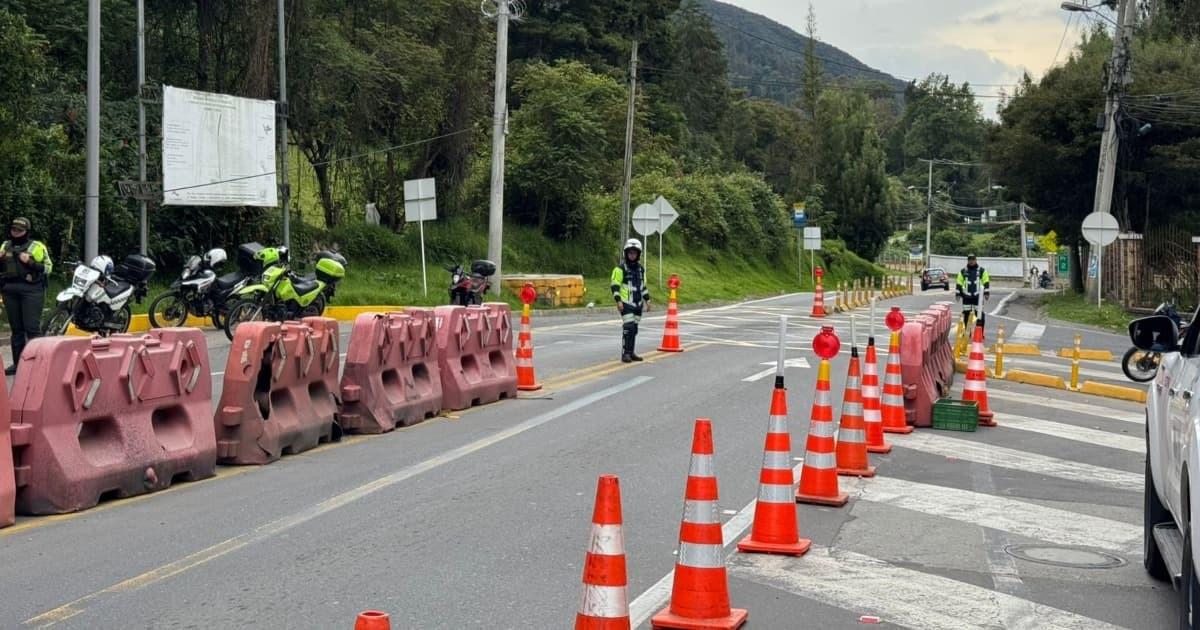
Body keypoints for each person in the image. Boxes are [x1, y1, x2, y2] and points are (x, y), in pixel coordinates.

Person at [0, 217, 51, 375]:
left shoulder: (37, 246)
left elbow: (48, 268)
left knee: (32, 328)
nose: (16, 233)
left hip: (32, 290)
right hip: (10, 289)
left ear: (26, 232)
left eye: (20, 230)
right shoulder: (4, 246)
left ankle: (40, 364)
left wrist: (30, 263)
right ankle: (18, 364)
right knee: (17, 330)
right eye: (14, 229)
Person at [611, 238, 651, 363]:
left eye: (634, 253)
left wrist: (647, 300)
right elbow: (614, 285)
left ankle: (631, 352)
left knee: (634, 329)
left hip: (638, 303)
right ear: (626, 253)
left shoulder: (641, 269)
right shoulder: (620, 269)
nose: (632, 255)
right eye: (630, 252)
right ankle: (625, 354)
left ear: (638, 254)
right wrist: (618, 301)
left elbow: (643, 286)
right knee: (628, 328)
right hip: (626, 303)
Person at [955, 253, 990, 328]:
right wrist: (957, 294)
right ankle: (967, 333)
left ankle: (979, 333)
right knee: (966, 314)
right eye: (970, 260)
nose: (971, 261)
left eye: (973, 259)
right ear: (967, 261)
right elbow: (959, 282)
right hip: (966, 297)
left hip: (978, 297)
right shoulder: (963, 271)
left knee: (980, 315)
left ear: (976, 260)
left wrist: (987, 293)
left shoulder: (981, 271)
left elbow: (986, 281)